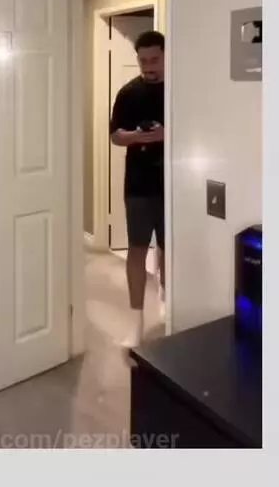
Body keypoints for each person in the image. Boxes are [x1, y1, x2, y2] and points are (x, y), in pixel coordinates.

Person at [109, 29, 165, 350]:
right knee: (137, 249)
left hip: (173, 184)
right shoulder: (128, 93)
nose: (149, 66)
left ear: (165, 56)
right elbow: (115, 135)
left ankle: (168, 307)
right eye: (143, 61)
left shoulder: (178, 89)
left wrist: (165, 134)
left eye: (154, 59)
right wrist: (136, 137)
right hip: (138, 184)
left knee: (170, 250)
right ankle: (136, 323)